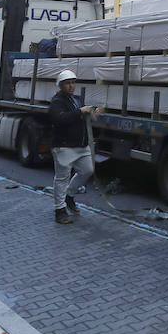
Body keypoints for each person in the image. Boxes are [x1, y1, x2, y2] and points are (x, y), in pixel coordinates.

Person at [48, 70, 95, 225]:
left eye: (73, 82)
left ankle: (69, 195)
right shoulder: (57, 102)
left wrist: (92, 115)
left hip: (81, 146)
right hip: (64, 146)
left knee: (88, 170)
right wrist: (80, 111)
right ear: (61, 85)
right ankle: (59, 210)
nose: (71, 86)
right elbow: (59, 119)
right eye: (68, 83)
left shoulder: (76, 100)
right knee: (62, 178)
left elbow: (79, 118)